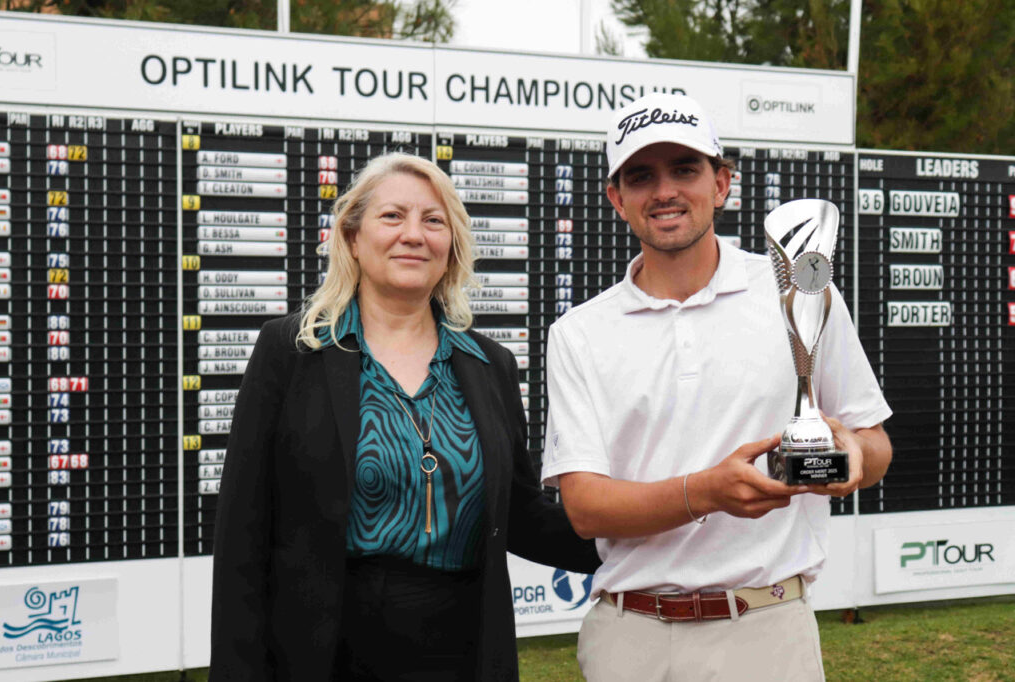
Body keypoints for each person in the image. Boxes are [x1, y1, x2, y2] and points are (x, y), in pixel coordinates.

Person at [541, 93, 893, 681]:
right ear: (617, 199)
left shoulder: (803, 293)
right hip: (630, 637)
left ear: (722, 183)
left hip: (768, 629)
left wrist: (853, 456)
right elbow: (585, 507)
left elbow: (873, 442)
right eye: (641, 175)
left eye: (685, 169)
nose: (664, 192)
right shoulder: (579, 333)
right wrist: (707, 490)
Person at [209, 152, 599, 681]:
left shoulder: (492, 366)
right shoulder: (290, 351)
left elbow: (523, 516)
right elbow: (243, 535)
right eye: (393, 216)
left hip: (463, 651)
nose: (413, 235)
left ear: (451, 246)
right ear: (351, 237)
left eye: (433, 221)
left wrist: (649, 526)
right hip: (325, 652)